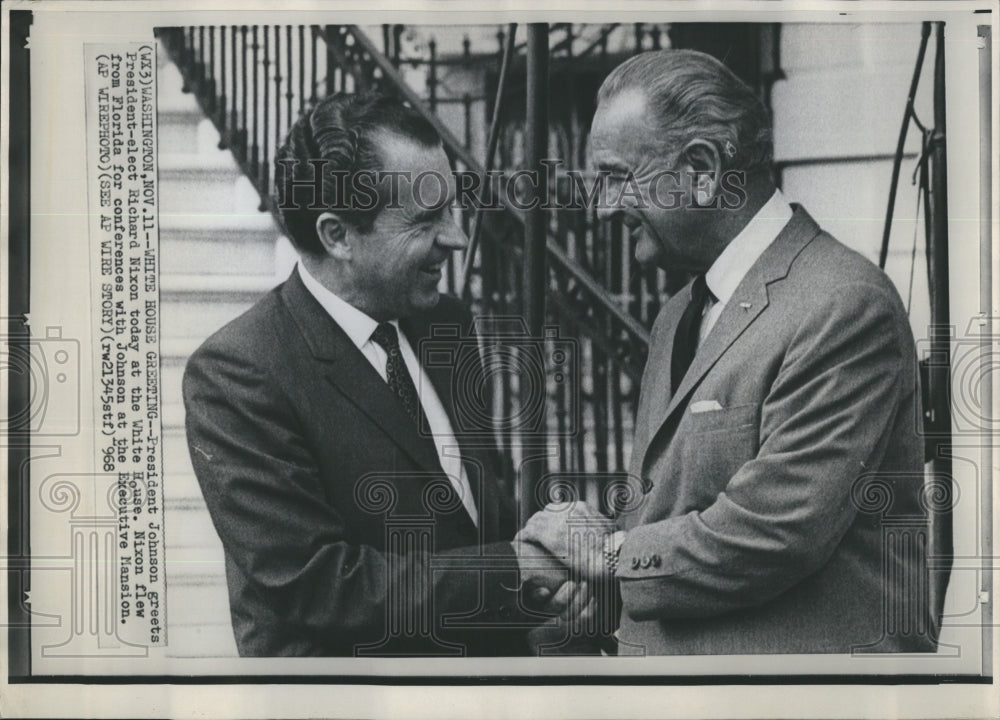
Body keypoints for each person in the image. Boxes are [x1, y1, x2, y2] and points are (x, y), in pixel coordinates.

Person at [517, 49, 941, 655]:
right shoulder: (679, 313)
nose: (602, 208)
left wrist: (604, 555)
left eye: (616, 177)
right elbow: (678, 513)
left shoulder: (843, 304)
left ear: (702, 169)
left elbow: (772, 531)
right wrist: (598, 579)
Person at [183, 91, 584, 657]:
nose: (457, 237)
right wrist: (515, 568)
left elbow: (470, 508)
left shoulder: (445, 323)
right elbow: (320, 585)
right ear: (338, 235)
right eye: (426, 219)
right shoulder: (239, 374)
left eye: (452, 208)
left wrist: (537, 589)